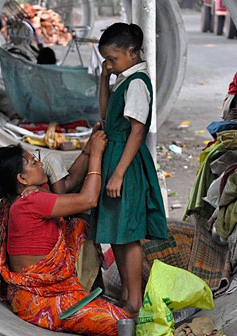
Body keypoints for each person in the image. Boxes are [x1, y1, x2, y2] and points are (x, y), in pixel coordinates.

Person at [0, 131, 129, 336]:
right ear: (22, 178)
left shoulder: (19, 198)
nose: (39, 163)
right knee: (120, 323)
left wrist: (88, 149)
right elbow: (88, 199)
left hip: (33, 292)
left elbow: (69, 183)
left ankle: (85, 291)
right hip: (41, 299)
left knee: (79, 225)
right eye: (32, 161)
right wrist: (96, 156)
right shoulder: (31, 201)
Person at [90, 23, 168, 318]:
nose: (109, 65)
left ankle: (134, 301)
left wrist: (119, 173)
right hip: (116, 158)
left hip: (127, 163)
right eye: (105, 60)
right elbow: (104, 113)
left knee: (128, 234)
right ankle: (125, 295)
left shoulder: (137, 83)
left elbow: (137, 131)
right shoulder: (122, 79)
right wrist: (103, 78)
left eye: (112, 59)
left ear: (132, 52)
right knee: (118, 233)